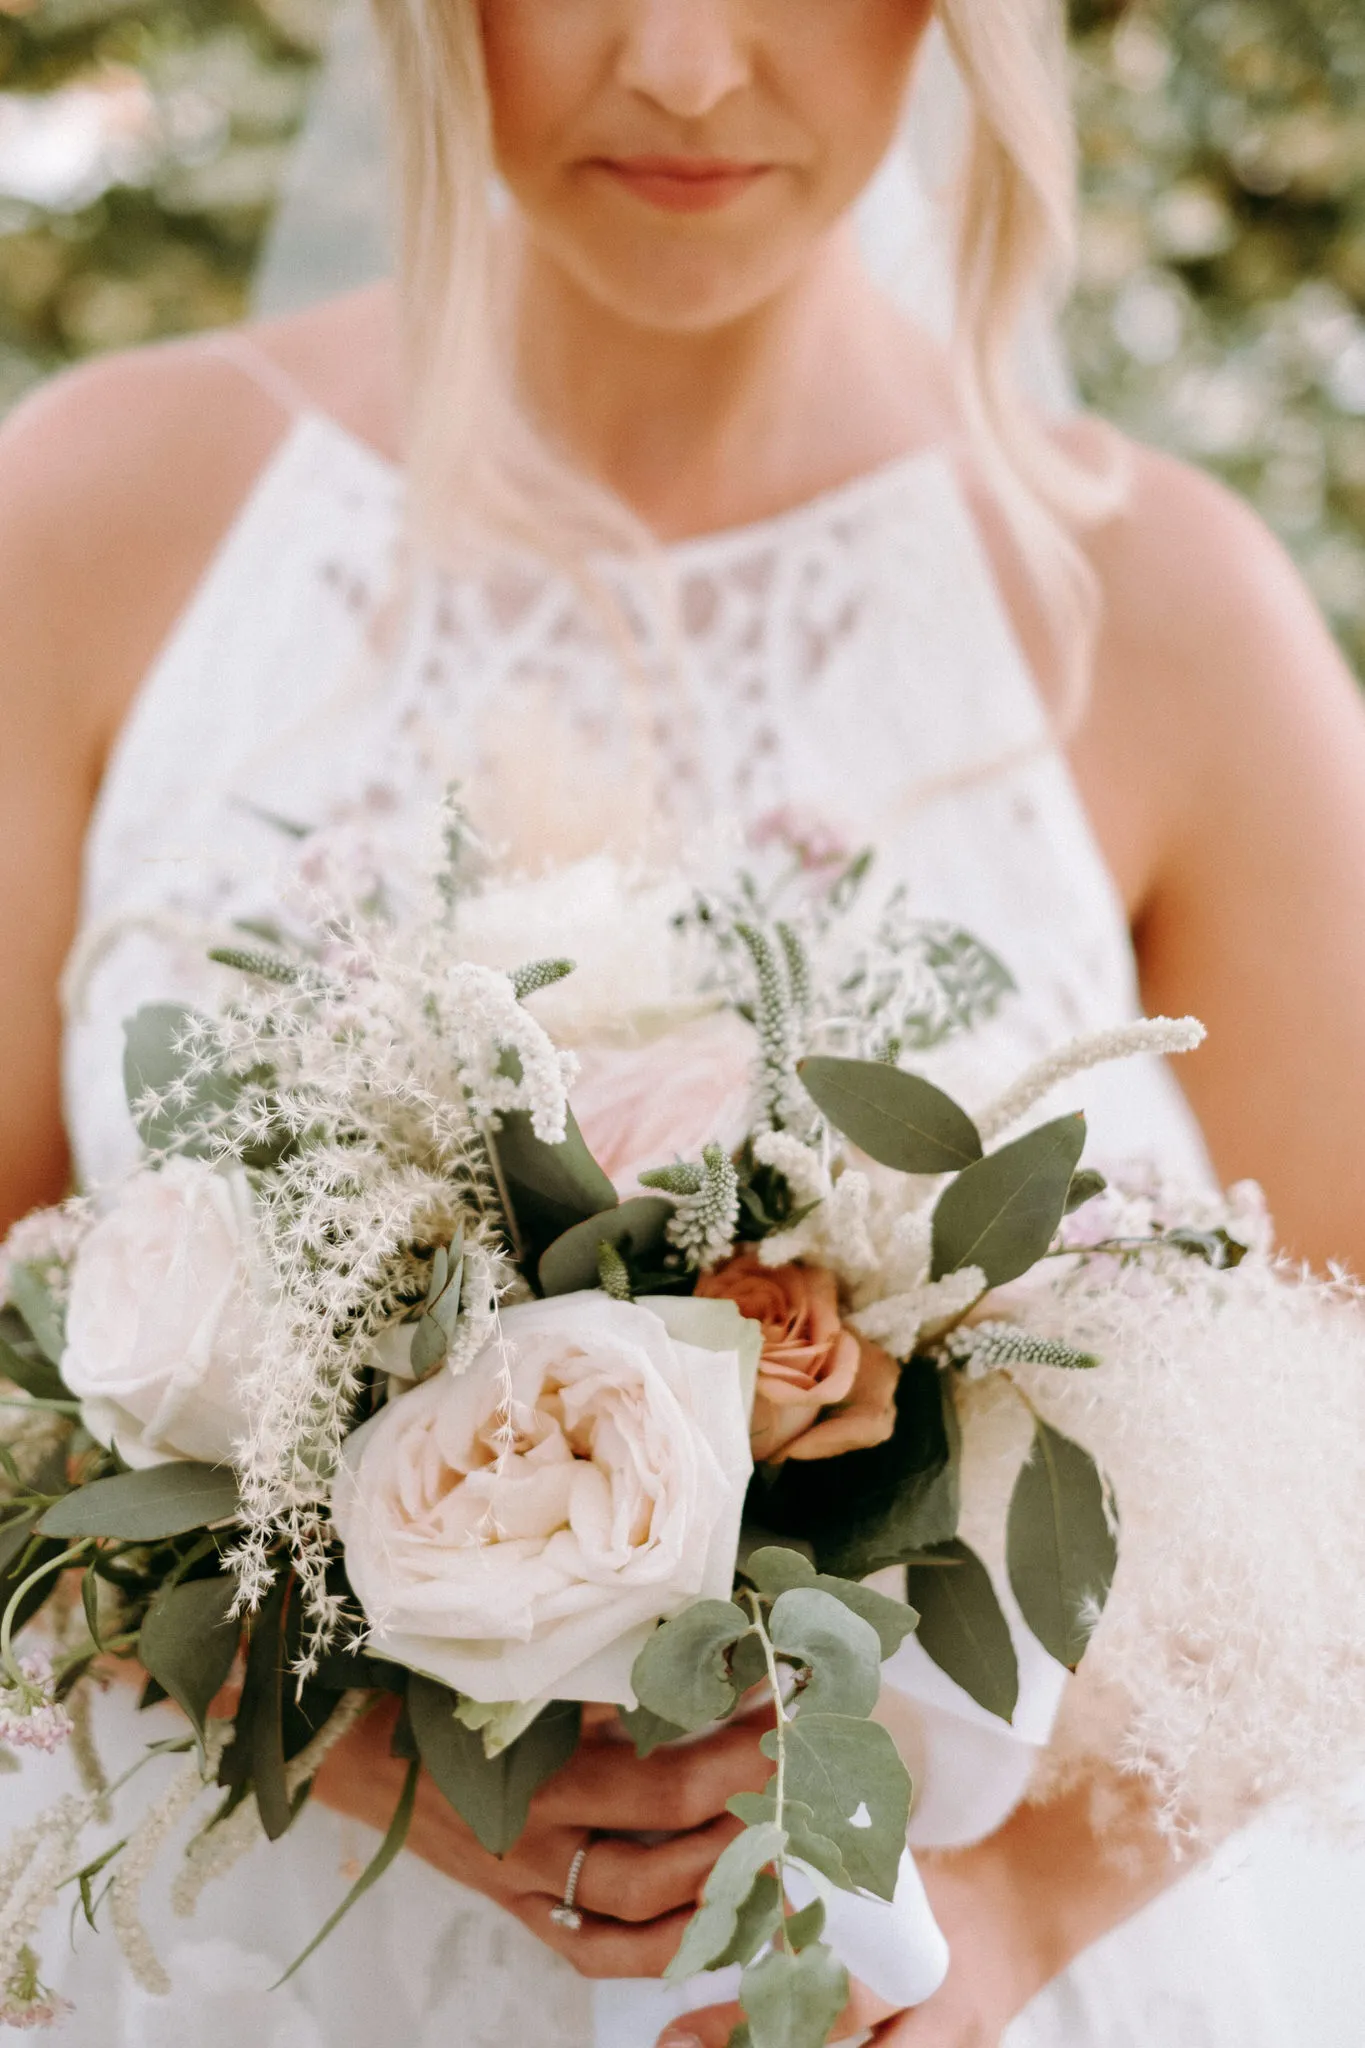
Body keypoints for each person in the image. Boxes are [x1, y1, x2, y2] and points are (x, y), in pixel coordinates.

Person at [3, 2, 1365, 2042]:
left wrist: (1000, 1912)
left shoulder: (1165, 615)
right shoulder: (98, 523)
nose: (690, 66)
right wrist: (293, 1699)